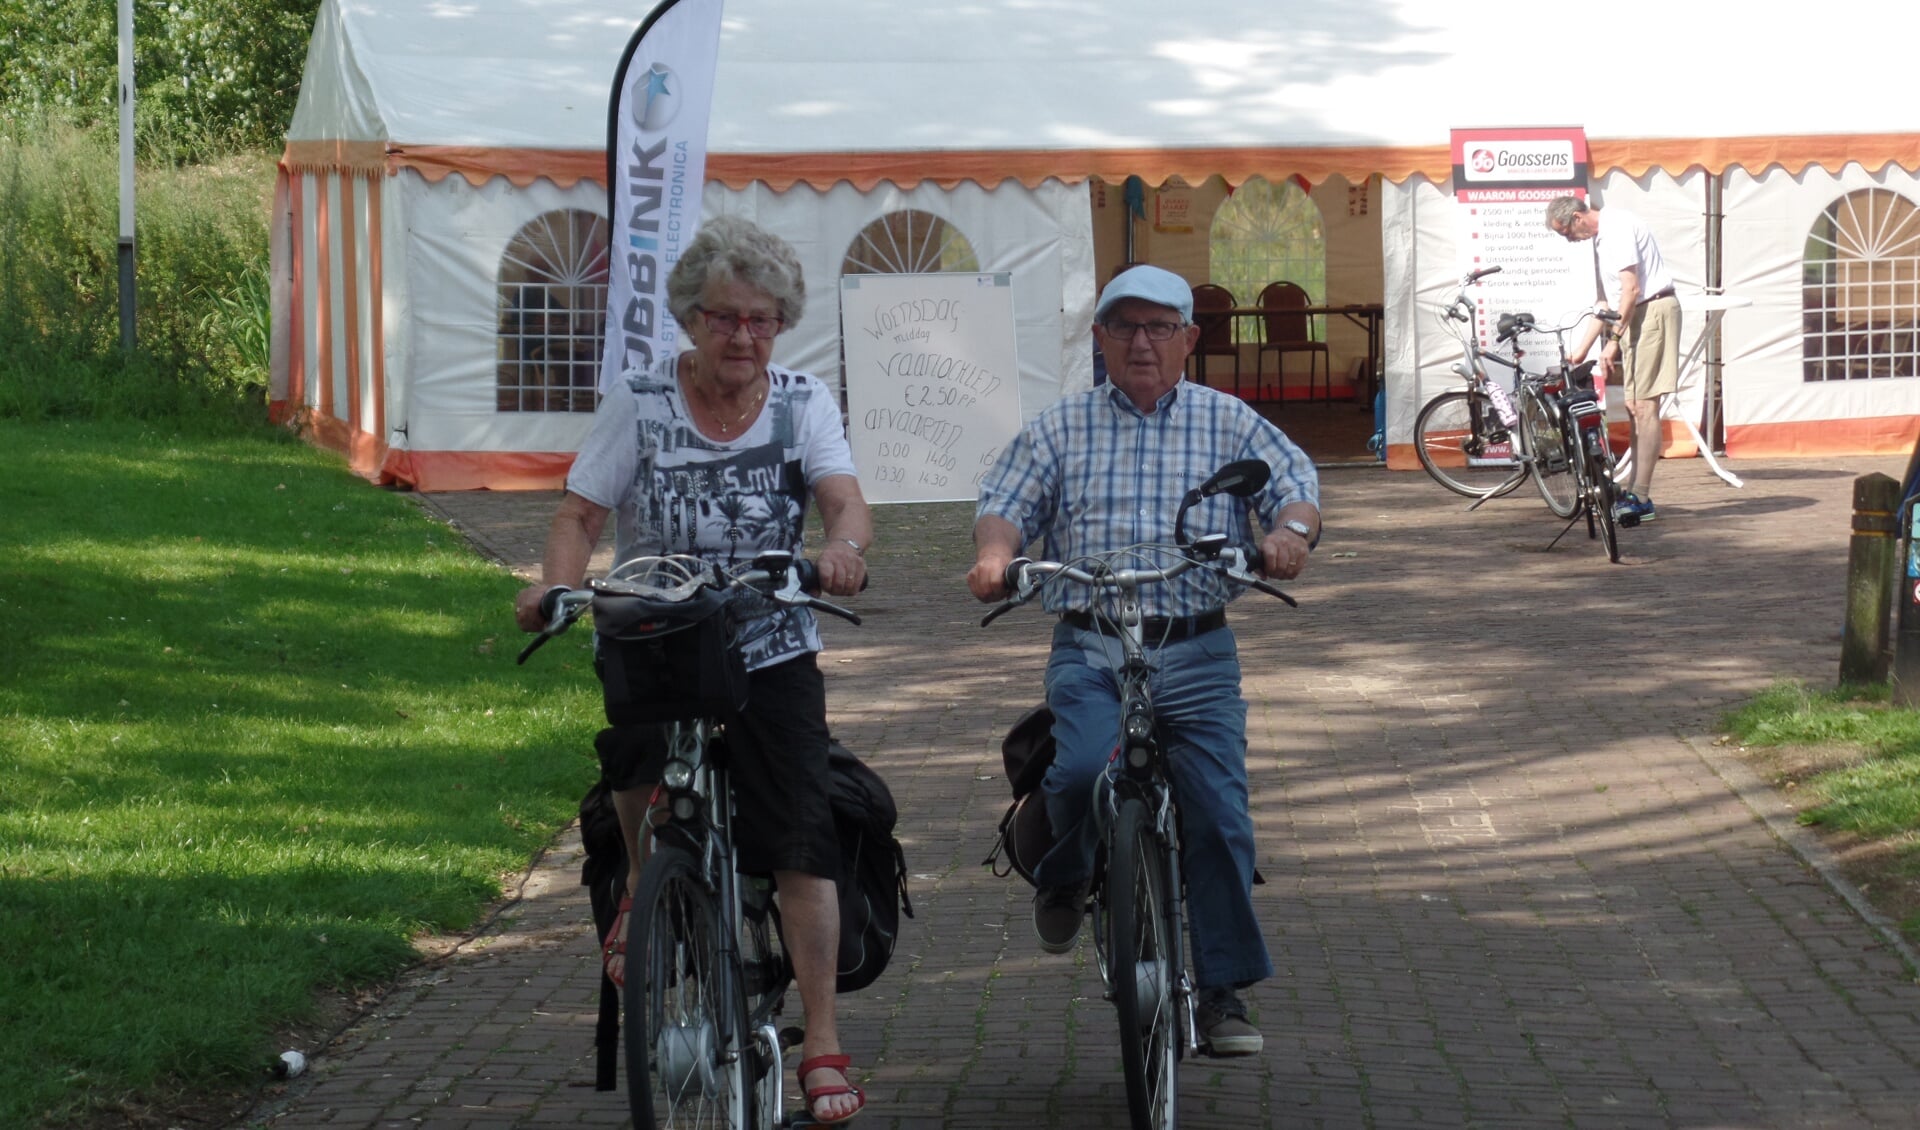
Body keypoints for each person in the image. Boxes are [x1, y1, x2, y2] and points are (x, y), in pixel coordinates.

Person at [513, 216, 873, 1124]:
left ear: (780, 323)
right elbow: (579, 518)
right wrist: (555, 588)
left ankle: (824, 1037)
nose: (742, 337)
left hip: (768, 640)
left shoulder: (801, 402)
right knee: (634, 752)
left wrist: (843, 549)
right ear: (691, 320)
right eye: (724, 319)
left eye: (760, 320)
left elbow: (842, 500)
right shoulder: (640, 401)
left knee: (801, 837)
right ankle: (645, 880)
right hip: (657, 627)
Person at [966, 264, 1322, 1057]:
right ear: (1099, 338)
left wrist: (1288, 536)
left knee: (1222, 817)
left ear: (1190, 339)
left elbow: (1296, 485)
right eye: (1124, 325)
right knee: (1082, 766)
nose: (1141, 341)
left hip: (1195, 645)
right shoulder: (1061, 426)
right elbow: (1006, 501)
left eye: (1160, 326)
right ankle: (1065, 871)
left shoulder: (1229, 423)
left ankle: (1222, 992)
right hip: (1091, 639)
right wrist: (996, 556)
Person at [1545, 195, 1680, 524]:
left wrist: (1613, 342)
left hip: (1653, 311)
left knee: (1646, 406)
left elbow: (1631, 290)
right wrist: (1579, 351)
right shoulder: (1600, 240)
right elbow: (1605, 304)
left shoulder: (1616, 228)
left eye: (1566, 233)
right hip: (1637, 316)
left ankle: (1642, 496)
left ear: (1578, 217)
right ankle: (1635, 489)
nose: (1569, 240)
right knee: (1635, 407)